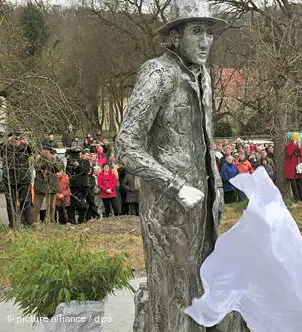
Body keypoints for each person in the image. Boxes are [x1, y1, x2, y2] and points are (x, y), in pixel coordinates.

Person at [115, 0, 246, 330]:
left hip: (205, 207)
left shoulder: (203, 76)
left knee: (206, 290)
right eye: (196, 31)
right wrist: (174, 185)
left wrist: (215, 188)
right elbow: (126, 147)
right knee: (174, 298)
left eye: (210, 33)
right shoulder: (158, 73)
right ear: (174, 36)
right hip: (169, 210)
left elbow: (205, 142)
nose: (205, 41)